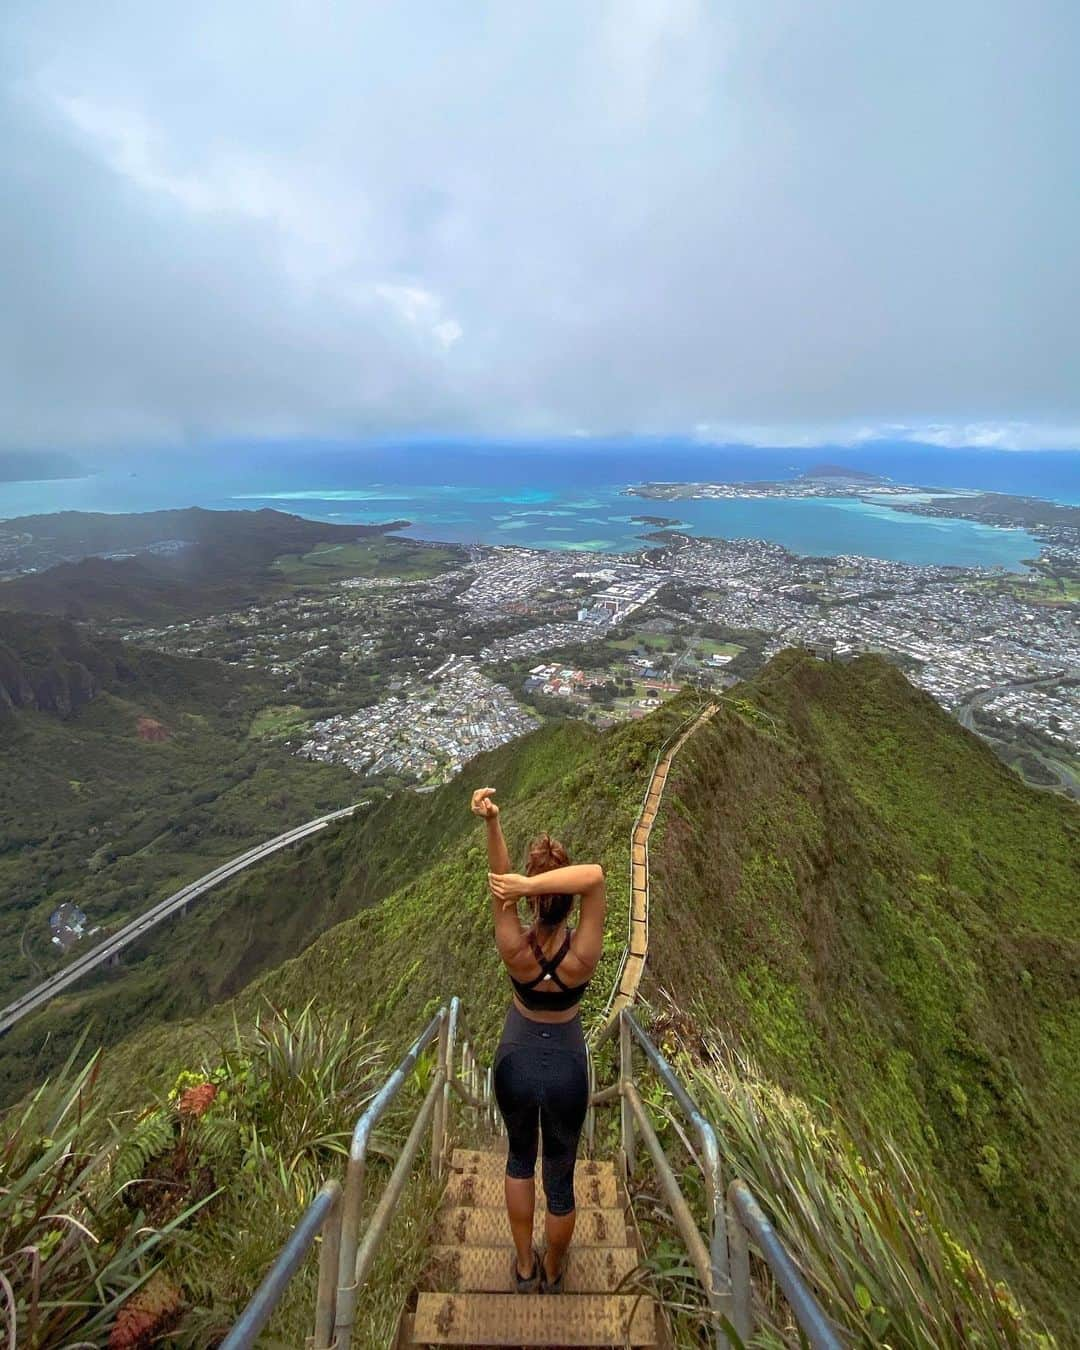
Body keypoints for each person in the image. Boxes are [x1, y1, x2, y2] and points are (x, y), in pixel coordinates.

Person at [470, 785, 606, 1295]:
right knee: (561, 1179)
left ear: (530, 896)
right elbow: (594, 876)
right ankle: (553, 1270)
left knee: (519, 1160)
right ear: (569, 902)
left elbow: (500, 886)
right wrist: (530, 886)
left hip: (516, 1059)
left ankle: (524, 1265)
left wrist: (493, 824)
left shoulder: (513, 945)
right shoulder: (584, 952)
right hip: (567, 1065)